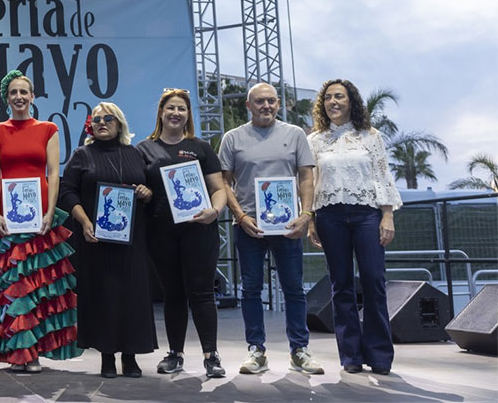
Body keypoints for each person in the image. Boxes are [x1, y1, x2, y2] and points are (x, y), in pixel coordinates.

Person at [0, 70, 82, 373]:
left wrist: (50, 212)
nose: (19, 97)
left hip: (40, 216)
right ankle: (16, 352)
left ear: (33, 97)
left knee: (37, 285)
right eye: (13, 93)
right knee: (12, 285)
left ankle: (32, 353)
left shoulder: (48, 128)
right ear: (6, 99)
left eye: (24, 92)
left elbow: (53, 174)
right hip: (7, 216)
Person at [219, 83, 324, 375]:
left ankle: (300, 351)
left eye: (271, 101)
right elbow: (223, 183)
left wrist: (305, 215)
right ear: (249, 106)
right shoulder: (232, 138)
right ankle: (256, 351)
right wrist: (239, 216)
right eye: (260, 101)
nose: (266, 106)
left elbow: (306, 178)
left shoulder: (295, 134)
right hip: (249, 226)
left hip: (289, 226)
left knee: (294, 289)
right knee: (250, 289)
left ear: (278, 104)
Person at [307, 79, 401, 375]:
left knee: (373, 281)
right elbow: (308, 183)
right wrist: (310, 219)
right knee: (341, 285)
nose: (333, 102)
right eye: (328, 98)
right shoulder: (315, 140)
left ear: (351, 101)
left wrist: (387, 215)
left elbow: (383, 176)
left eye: (339, 97)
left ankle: (380, 355)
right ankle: (350, 356)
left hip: (367, 216)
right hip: (329, 217)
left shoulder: (370, 136)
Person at [58, 102, 157, 378]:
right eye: (97, 119)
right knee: (103, 296)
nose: (102, 123)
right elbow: (67, 193)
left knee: (132, 296)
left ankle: (131, 356)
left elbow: (149, 190)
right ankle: (107, 356)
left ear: (120, 124)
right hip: (95, 240)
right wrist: (85, 221)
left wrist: (146, 193)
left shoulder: (135, 154)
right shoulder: (82, 154)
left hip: (131, 240)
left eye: (108, 119)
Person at [137, 88, 229, 378]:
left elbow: (218, 189)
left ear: (188, 115)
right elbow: (140, 188)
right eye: (171, 108)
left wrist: (214, 212)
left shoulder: (200, 147)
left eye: (182, 109)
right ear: (161, 113)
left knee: (202, 293)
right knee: (173, 294)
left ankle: (211, 356)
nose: (176, 113)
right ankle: (175, 354)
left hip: (199, 231)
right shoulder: (143, 149)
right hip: (160, 232)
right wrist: (144, 192)